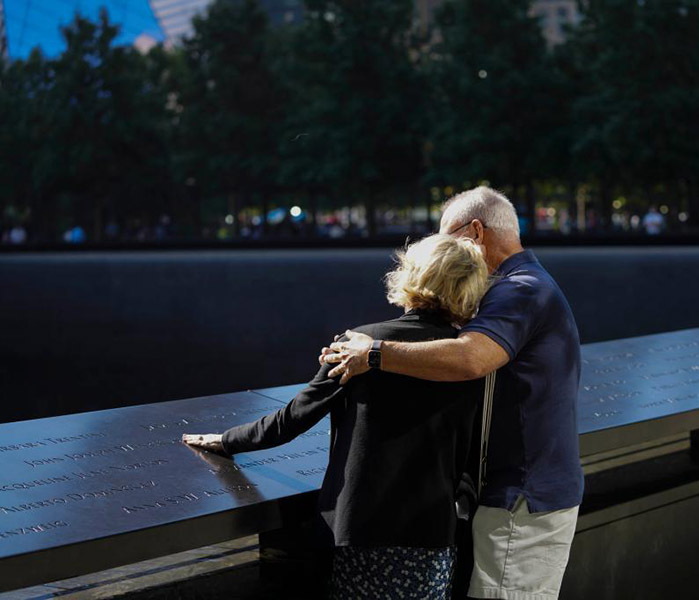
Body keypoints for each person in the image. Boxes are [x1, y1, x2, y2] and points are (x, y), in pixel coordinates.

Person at [183, 234, 491, 599]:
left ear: (412, 274)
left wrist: (226, 440)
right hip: (431, 531)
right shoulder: (468, 359)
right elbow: (473, 449)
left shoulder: (360, 344)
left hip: (363, 527)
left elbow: (295, 417)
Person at [323, 186, 584, 600]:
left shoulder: (519, 290)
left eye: (448, 236)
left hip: (521, 497)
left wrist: (373, 352)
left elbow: (469, 358)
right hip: (526, 491)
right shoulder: (530, 283)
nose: (445, 248)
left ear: (476, 232)